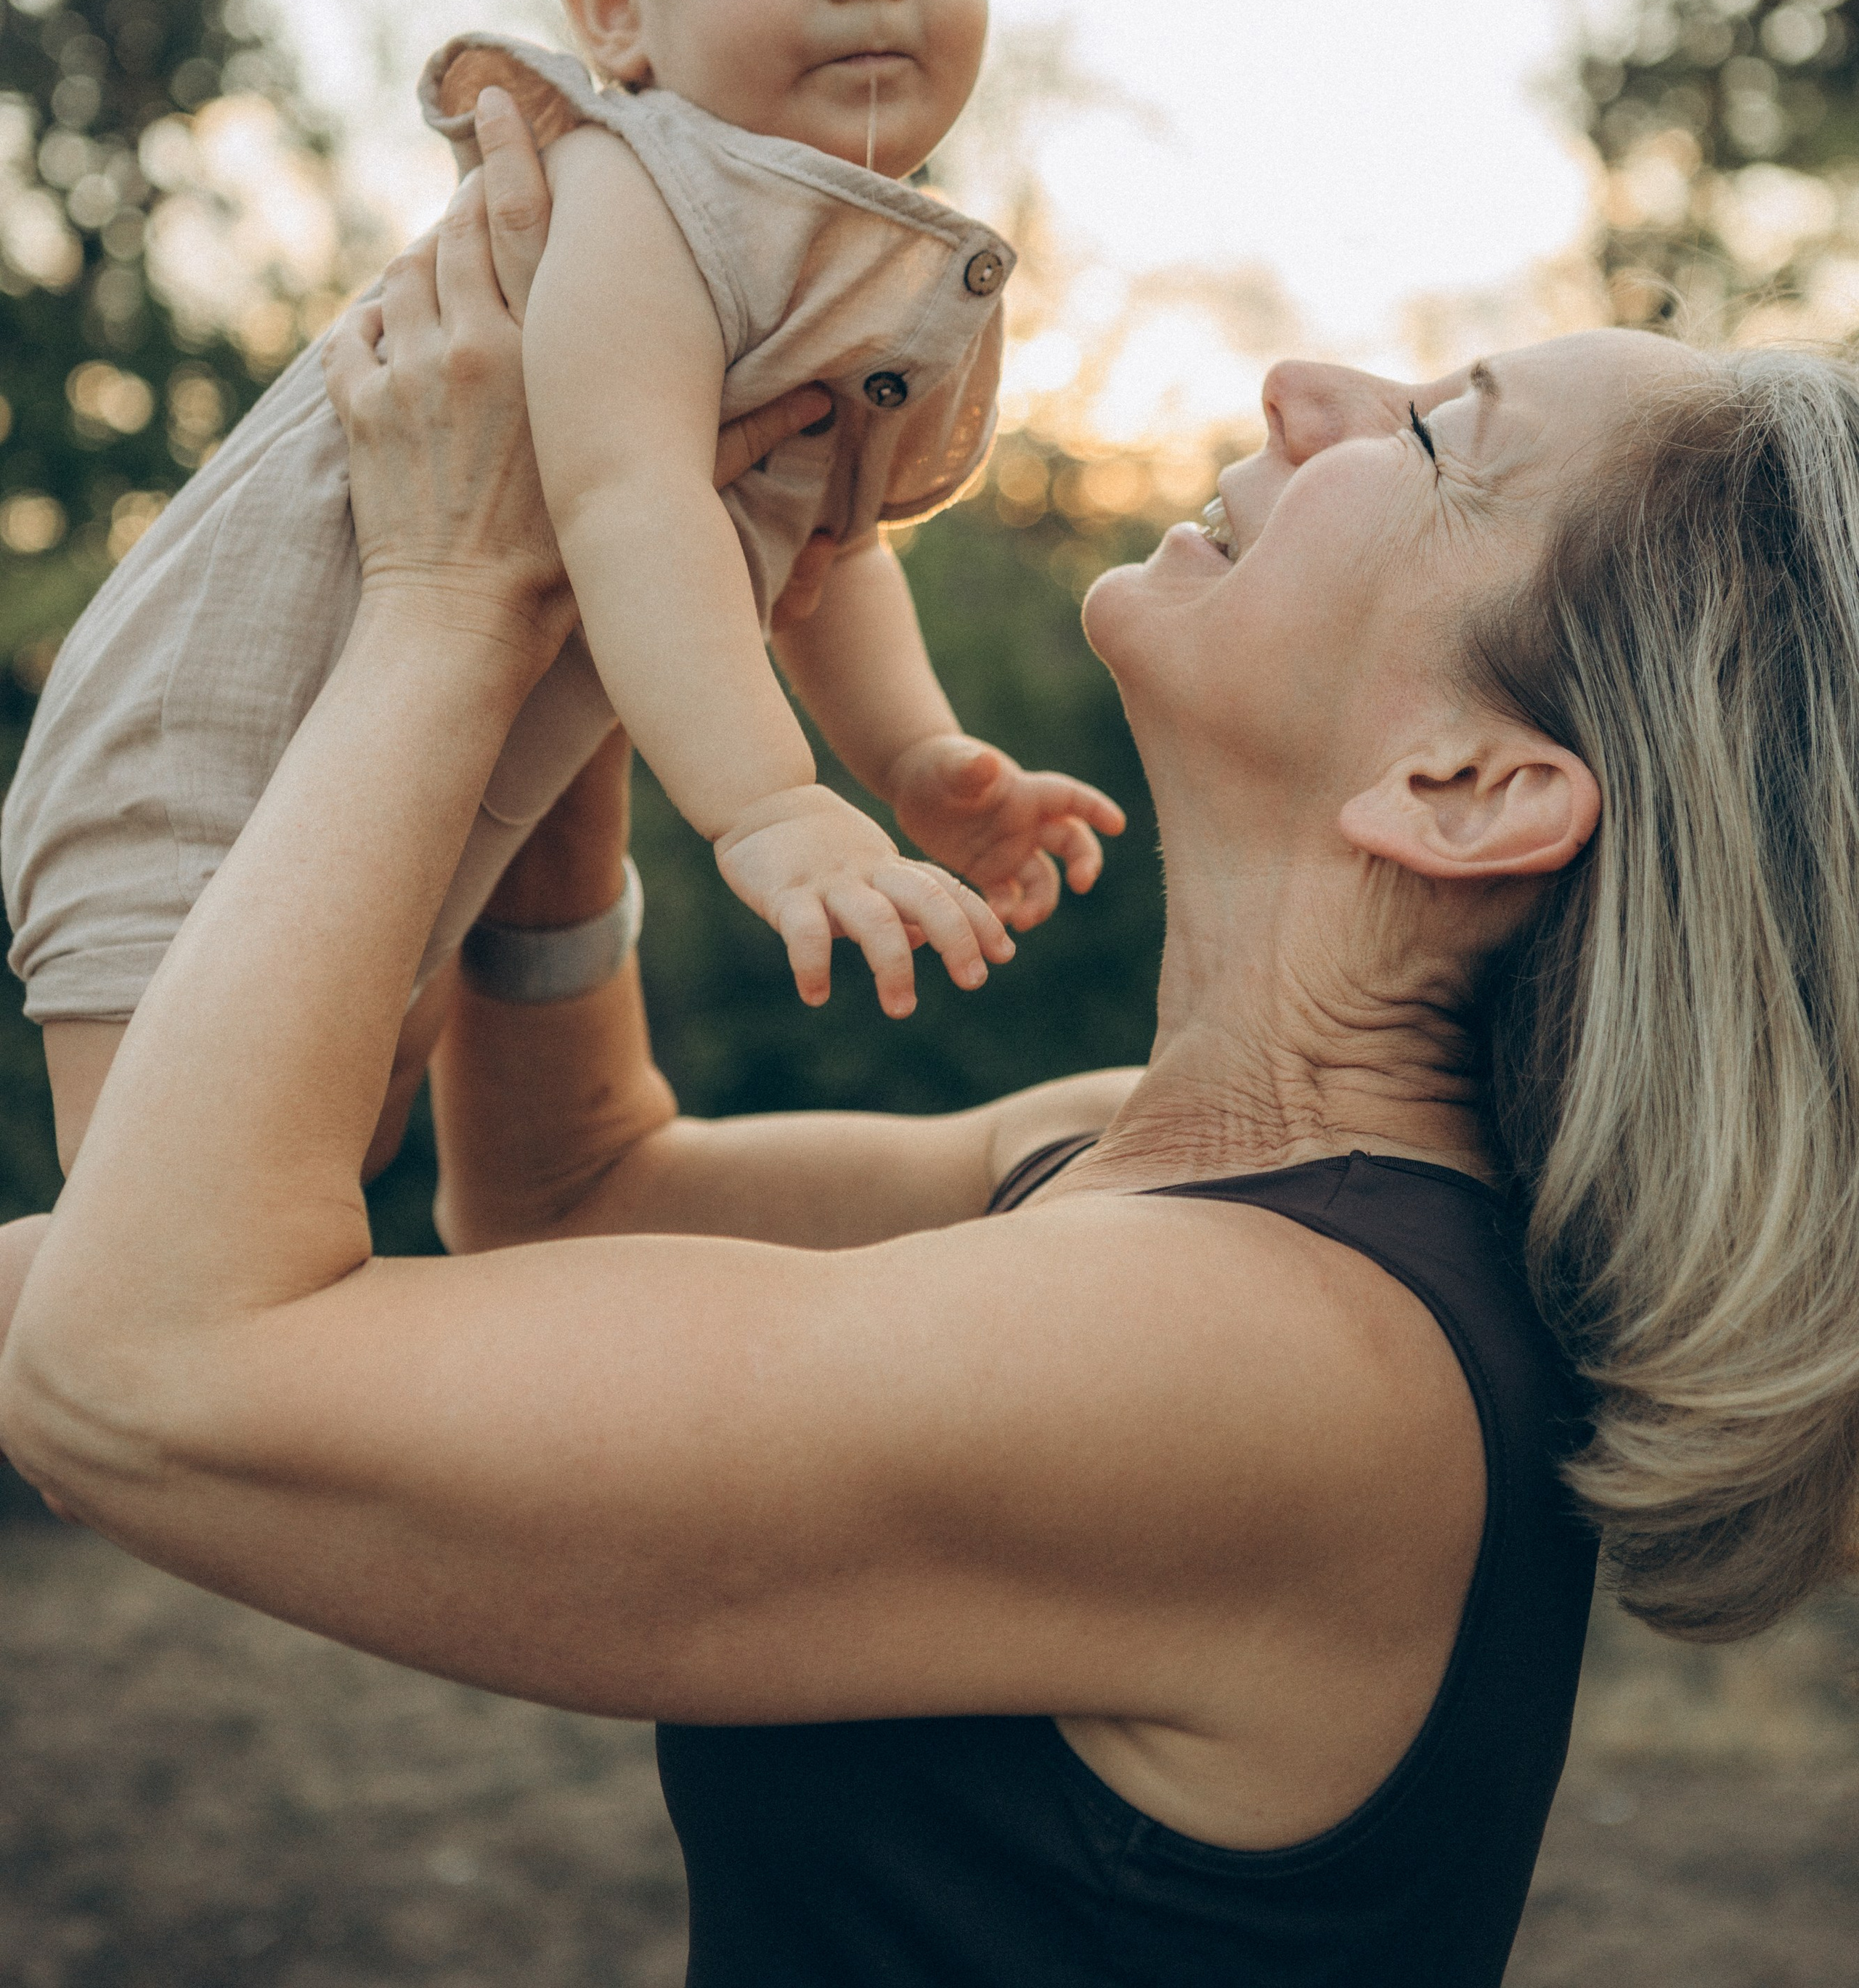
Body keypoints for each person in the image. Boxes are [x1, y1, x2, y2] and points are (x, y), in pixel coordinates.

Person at [8, 113, 1859, 1987]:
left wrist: (450, 600)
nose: (1308, 389)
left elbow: (143, 1380)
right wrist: (600, 613)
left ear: (1466, 789)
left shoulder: (1267, 1370)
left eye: (1439, 437)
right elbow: (573, 1200)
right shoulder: (1163, 1177)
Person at [2, 0, 1124, 1193]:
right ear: (613, 2)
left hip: (402, 778)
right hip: (212, 751)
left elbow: (826, 548)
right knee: (158, 1241)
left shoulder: (823, 259)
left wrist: (913, 753)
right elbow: (627, 496)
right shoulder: (641, 190)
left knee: (332, 1153)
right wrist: (772, 809)